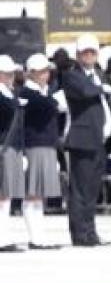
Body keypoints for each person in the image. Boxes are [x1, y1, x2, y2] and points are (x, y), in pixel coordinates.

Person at [61, 34, 111, 247]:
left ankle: (91, 232)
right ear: (78, 55)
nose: (89, 56)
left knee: (92, 189)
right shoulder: (72, 75)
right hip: (82, 140)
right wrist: (102, 88)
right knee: (80, 190)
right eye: (85, 52)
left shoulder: (98, 75)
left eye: (93, 52)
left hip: (98, 140)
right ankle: (80, 234)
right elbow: (84, 91)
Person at [18, 53, 65, 250]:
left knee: (40, 195)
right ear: (31, 74)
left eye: (47, 71)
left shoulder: (44, 93)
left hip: (47, 146)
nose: (46, 75)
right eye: (41, 71)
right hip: (34, 146)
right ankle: (35, 237)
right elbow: (49, 106)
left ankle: (40, 235)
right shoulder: (28, 94)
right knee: (32, 194)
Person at [0, 56, 25, 252]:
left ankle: (4, 236)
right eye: (6, 73)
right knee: (2, 195)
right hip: (3, 147)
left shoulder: (10, 93)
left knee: (6, 195)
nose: (9, 77)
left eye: (11, 74)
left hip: (11, 148)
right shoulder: (4, 96)